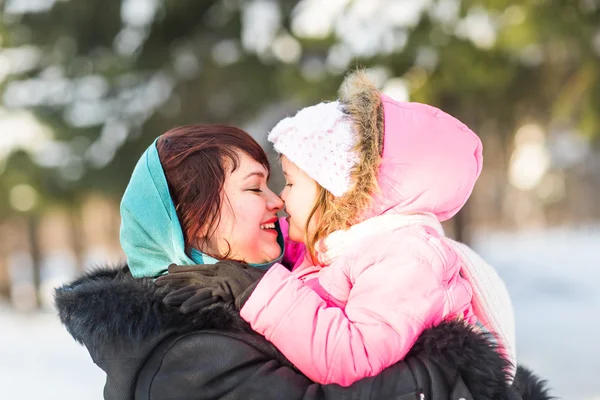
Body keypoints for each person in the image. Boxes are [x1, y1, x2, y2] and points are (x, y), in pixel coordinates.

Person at [55, 124, 551, 399]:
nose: (276, 202)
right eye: (255, 187)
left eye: (279, 184)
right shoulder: (182, 357)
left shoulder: (259, 293)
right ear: (193, 221)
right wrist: (451, 371)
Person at [159, 71, 517, 387]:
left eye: (292, 184)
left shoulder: (405, 258)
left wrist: (257, 291)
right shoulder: (339, 249)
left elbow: (352, 357)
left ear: (340, 197)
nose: (281, 199)